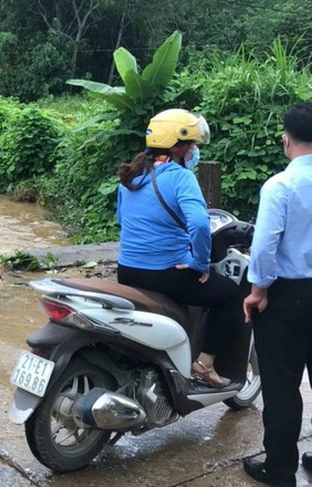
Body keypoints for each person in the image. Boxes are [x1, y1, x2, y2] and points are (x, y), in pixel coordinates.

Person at [115, 109, 243, 388]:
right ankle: (205, 363)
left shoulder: (130, 177)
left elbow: (121, 220)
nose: (194, 151)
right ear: (178, 147)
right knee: (230, 295)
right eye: (192, 146)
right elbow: (198, 224)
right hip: (164, 273)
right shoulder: (180, 177)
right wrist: (199, 261)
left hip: (126, 271)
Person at [242, 103, 312, 487]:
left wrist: (257, 292)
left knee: (282, 385)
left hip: (288, 296)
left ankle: (281, 469)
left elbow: (265, 246)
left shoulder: (280, 186)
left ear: (286, 139)